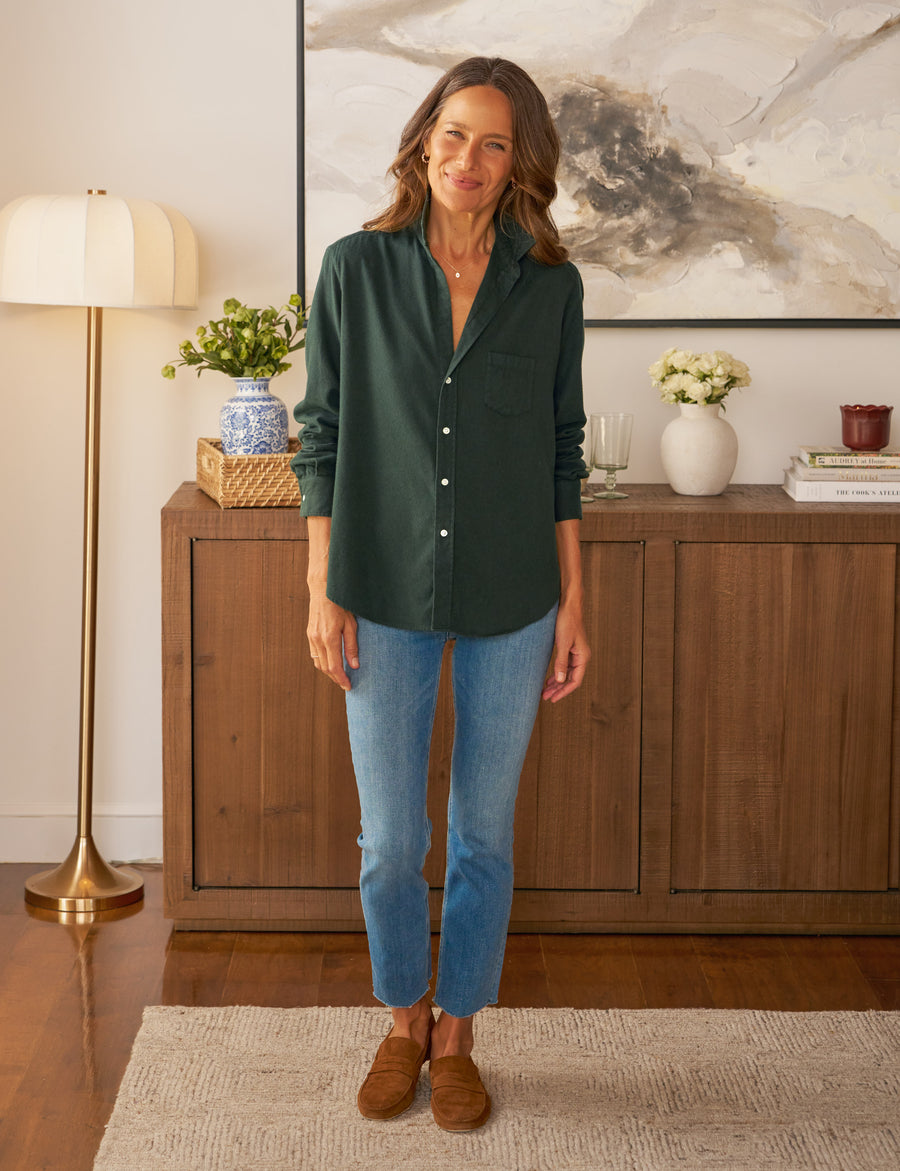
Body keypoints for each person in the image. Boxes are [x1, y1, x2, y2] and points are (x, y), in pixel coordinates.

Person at [291, 56, 589, 1132]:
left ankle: (460, 1030)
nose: (470, 158)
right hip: (379, 584)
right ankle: (403, 1017)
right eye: (455, 134)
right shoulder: (356, 271)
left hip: (514, 592)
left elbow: (564, 451)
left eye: (495, 142)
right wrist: (323, 587)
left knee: (483, 834)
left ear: (520, 165)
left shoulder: (550, 286)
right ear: (425, 141)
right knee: (389, 840)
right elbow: (320, 435)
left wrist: (574, 604)